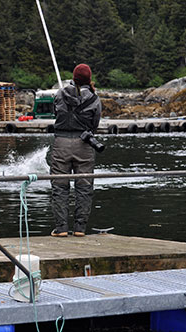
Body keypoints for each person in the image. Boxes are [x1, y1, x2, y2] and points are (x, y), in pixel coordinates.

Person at [50, 64, 102, 237]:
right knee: (84, 187)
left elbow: (55, 113)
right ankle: (80, 229)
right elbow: (95, 124)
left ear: (73, 77)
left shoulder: (59, 94)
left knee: (59, 187)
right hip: (84, 145)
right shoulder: (94, 98)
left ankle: (61, 228)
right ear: (89, 79)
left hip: (61, 143)